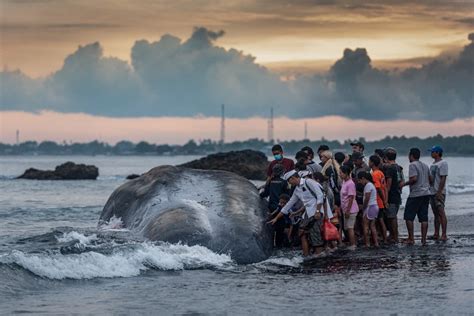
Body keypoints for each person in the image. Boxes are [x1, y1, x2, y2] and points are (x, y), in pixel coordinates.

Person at [269, 170, 325, 257]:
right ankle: (306, 255)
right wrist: (276, 218)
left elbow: (320, 195)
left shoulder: (308, 182)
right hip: (307, 213)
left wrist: (317, 211)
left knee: (316, 236)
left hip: (316, 212)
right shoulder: (297, 189)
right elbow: (289, 204)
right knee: (302, 233)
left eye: (289, 181)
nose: (289, 183)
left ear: (293, 178)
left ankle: (320, 255)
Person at [403, 148, 431, 246]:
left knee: (408, 217)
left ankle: (411, 238)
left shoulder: (412, 165)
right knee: (424, 218)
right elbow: (430, 179)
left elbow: (414, 179)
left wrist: (404, 184)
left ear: (411, 156)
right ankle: (423, 240)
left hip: (416, 193)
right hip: (426, 193)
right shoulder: (425, 165)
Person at [261, 164, 291, 247]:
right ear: (282, 172)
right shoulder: (284, 182)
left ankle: (270, 245)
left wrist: (258, 195)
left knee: (272, 225)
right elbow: (288, 195)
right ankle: (279, 246)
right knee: (280, 229)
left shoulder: (270, 181)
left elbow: (265, 193)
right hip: (281, 208)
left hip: (271, 207)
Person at [384, 147, 404, 243]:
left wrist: (385, 199)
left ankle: (395, 237)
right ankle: (394, 235)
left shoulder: (390, 168)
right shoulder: (398, 167)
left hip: (391, 196)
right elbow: (401, 182)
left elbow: (388, 185)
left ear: (386, 157)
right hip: (397, 195)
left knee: (392, 218)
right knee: (393, 216)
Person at [428, 145, 448, 241]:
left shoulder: (443, 163)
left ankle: (444, 234)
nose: (431, 153)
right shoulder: (433, 164)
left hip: (439, 192)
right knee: (436, 213)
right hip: (432, 192)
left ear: (437, 153)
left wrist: (439, 192)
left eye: (432, 152)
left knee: (441, 212)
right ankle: (436, 233)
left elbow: (443, 178)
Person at [369, 155, 388, 244]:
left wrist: (383, 200)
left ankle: (379, 240)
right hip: (381, 200)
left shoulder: (375, 174)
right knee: (381, 221)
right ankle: (384, 239)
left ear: (372, 163)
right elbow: (385, 188)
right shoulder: (381, 172)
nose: (368, 163)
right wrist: (385, 200)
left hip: (377, 201)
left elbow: (378, 188)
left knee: (376, 222)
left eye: (369, 161)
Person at [358, 171, 379, 247]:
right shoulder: (372, 185)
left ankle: (367, 243)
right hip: (375, 206)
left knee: (365, 225)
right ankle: (376, 243)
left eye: (360, 180)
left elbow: (367, 198)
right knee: (372, 226)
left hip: (370, 207)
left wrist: (363, 208)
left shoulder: (368, 185)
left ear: (363, 178)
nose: (360, 182)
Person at [339, 165, 358, 248]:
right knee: (347, 228)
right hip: (345, 208)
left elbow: (351, 198)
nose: (340, 174)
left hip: (351, 209)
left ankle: (353, 245)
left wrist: (348, 211)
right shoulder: (344, 182)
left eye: (341, 173)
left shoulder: (350, 184)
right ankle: (351, 243)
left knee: (350, 228)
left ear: (346, 173)